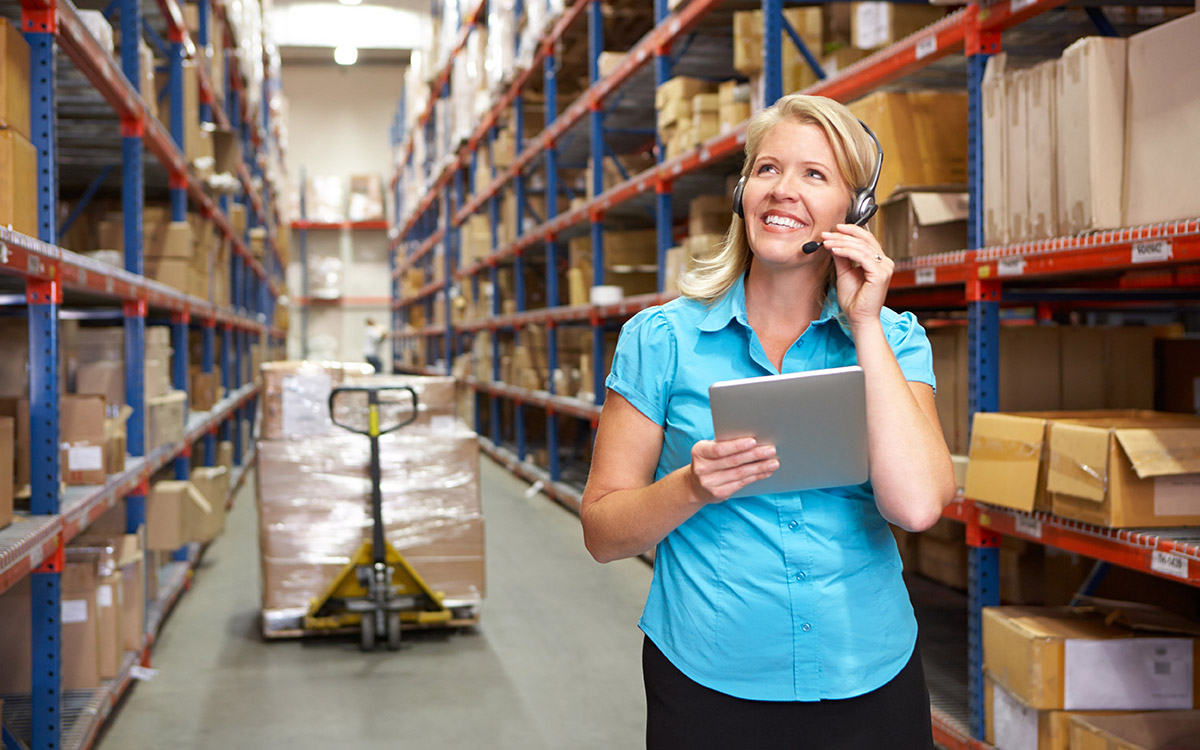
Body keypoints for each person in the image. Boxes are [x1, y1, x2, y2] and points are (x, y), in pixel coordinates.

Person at [580, 94, 956, 749]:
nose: (784, 191)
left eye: (815, 175)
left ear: (856, 211)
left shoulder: (894, 341)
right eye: (767, 169)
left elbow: (917, 505)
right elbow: (603, 532)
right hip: (708, 679)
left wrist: (864, 322)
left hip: (868, 670)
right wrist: (691, 488)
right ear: (742, 192)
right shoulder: (661, 340)